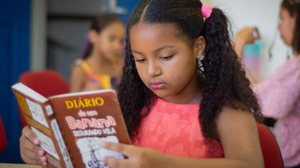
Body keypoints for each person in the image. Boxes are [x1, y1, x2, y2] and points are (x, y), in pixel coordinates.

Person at [20, 0, 264, 167]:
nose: (151, 71)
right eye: (139, 59)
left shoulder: (225, 108)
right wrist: (43, 151)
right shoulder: (133, 103)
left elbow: (251, 165)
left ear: (198, 46)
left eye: (166, 57)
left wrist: (161, 164)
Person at [234, 0, 300, 167]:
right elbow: (266, 90)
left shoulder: (297, 67)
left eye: (282, 19)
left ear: (296, 19)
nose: (279, 27)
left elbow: (257, 100)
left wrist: (238, 46)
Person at [70, 13, 126, 92]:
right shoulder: (80, 70)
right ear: (93, 36)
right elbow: (71, 103)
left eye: (121, 41)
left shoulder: (121, 67)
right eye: (111, 39)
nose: (117, 46)